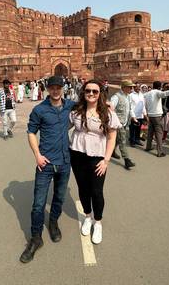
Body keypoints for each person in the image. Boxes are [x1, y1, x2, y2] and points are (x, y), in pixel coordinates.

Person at [20, 76, 75, 263]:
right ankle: (36, 238)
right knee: (38, 203)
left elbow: (90, 106)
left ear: (63, 88)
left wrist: (107, 104)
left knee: (59, 198)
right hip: (45, 163)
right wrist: (37, 155)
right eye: (52, 87)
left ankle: (53, 223)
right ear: (47, 89)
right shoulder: (39, 110)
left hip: (65, 162)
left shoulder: (70, 106)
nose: (55, 90)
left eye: (58, 87)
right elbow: (31, 132)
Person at [69, 80, 119, 244]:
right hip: (77, 155)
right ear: (83, 92)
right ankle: (88, 217)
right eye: (88, 91)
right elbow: (63, 126)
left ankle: (98, 222)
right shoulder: (76, 111)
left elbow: (112, 137)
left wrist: (106, 160)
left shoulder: (107, 113)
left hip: (97, 157)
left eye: (95, 91)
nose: (91, 94)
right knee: (83, 189)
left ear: (100, 94)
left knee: (96, 191)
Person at [143, 81, 169, 157]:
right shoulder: (157, 92)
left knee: (150, 132)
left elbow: (143, 97)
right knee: (159, 134)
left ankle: (148, 147)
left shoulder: (148, 93)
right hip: (157, 116)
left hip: (150, 115)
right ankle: (160, 152)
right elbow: (165, 94)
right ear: (160, 87)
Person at [110, 80, 137, 170]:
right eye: (130, 87)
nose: (131, 89)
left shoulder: (127, 97)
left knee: (118, 139)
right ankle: (127, 160)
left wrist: (133, 117)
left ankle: (112, 151)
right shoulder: (116, 97)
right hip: (118, 123)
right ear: (124, 87)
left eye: (132, 87)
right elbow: (111, 109)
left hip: (125, 122)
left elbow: (130, 109)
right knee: (122, 141)